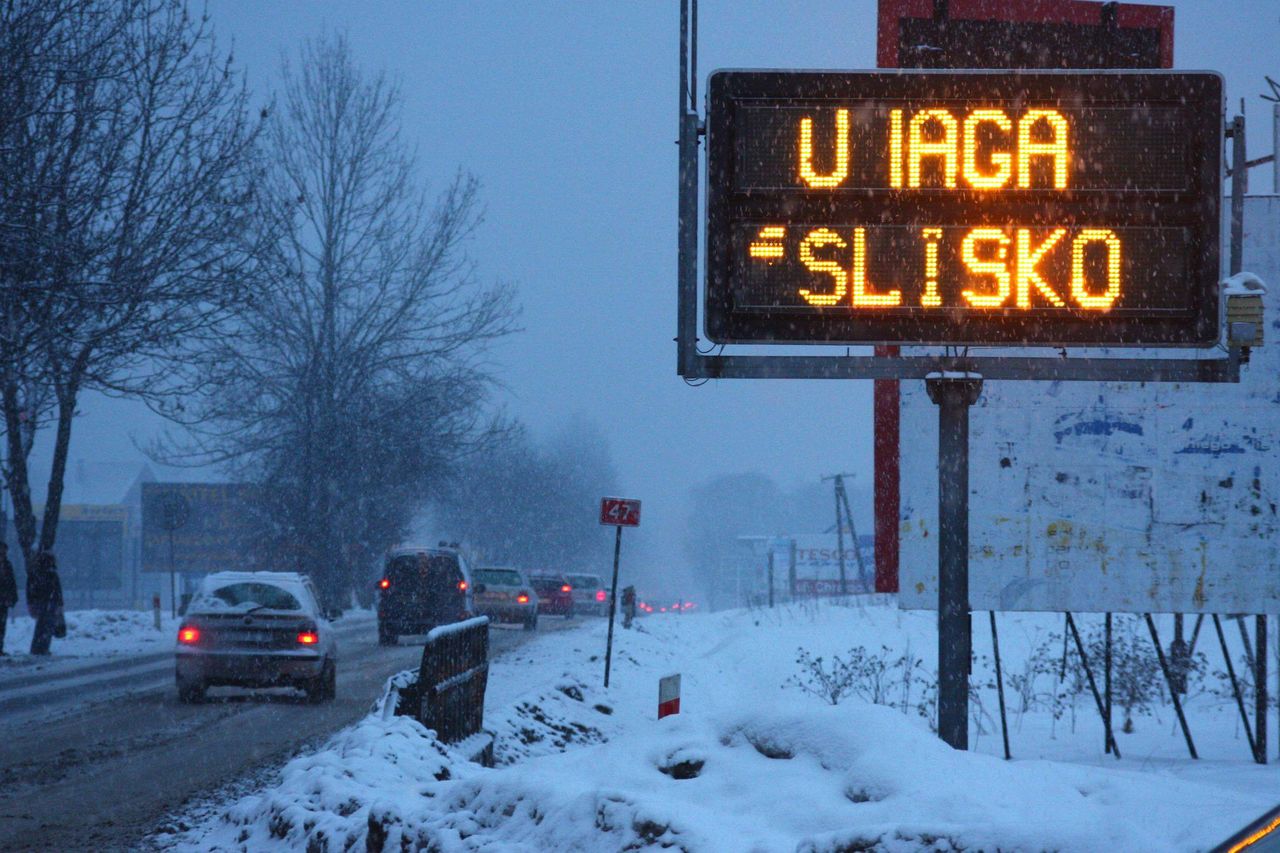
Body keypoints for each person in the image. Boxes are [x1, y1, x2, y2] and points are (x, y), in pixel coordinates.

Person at [27, 551, 63, 656]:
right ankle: (42, 648)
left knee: (41, 627)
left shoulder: (35, 573)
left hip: (41, 603)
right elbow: (57, 590)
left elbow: (30, 590)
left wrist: (31, 602)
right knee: (47, 627)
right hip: (49, 603)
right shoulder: (51, 574)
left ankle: (37, 648)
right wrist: (59, 603)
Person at [0, 543, 17, 656]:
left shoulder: (7, 565)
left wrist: (12, 597)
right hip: (3, 599)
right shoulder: (6, 565)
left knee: (2, 626)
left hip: (3, 601)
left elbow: (11, 582)